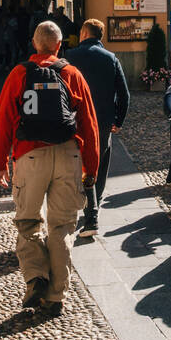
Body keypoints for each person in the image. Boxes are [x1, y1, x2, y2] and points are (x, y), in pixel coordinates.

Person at [0, 21, 101, 314]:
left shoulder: (18, 74)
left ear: (34, 44)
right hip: (67, 156)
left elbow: (3, 119)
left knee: (28, 222)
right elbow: (89, 125)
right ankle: (55, 297)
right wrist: (91, 166)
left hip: (29, 156)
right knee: (62, 226)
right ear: (59, 45)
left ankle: (36, 277)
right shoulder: (72, 74)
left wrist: (0, 162)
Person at [65, 18, 131, 240]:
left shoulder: (70, 56)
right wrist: (118, 120)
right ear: (100, 36)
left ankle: (79, 205)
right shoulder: (110, 58)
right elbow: (124, 95)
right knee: (99, 164)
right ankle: (95, 206)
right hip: (101, 121)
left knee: (76, 162)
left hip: (74, 120)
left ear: (84, 33)